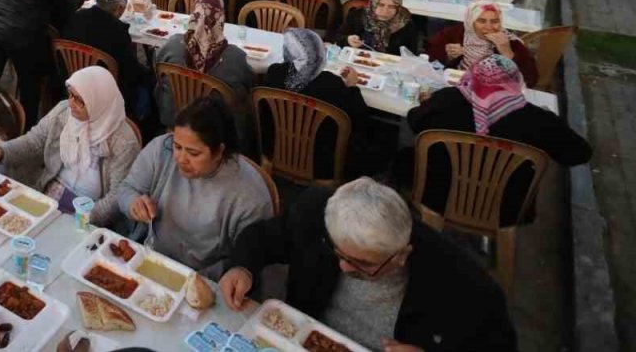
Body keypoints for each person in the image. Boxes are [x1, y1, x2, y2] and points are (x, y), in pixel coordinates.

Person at [220, 178, 517, 351]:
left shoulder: (465, 285)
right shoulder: (316, 214)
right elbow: (263, 237)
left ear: (402, 253)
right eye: (339, 254)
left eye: (363, 264)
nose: (345, 268)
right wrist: (241, 267)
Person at [404, 53, 590, 221]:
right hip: (504, 207)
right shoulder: (539, 120)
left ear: (473, 75)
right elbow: (579, 154)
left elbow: (415, 121)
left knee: (405, 157)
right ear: (515, 80)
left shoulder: (446, 99)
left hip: (437, 194)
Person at [116, 96, 273, 276]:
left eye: (193, 153)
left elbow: (247, 260)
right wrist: (133, 203)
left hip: (205, 279)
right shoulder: (161, 149)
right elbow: (126, 189)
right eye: (177, 146)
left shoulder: (248, 196)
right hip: (151, 258)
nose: (180, 159)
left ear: (219, 152)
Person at [0, 66, 141, 225]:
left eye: (80, 100)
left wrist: (84, 218)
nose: (71, 103)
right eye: (70, 95)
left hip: (90, 212)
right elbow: (35, 141)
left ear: (98, 102)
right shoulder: (63, 113)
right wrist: (1, 151)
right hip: (51, 193)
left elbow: (118, 194)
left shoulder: (124, 142)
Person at [261, 29, 378, 178]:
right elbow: (361, 118)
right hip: (321, 158)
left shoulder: (274, 72)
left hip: (277, 146)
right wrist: (352, 86)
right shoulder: (331, 83)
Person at [60, 0, 152, 120]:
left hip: (75, 82)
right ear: (120, 8)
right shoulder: (118, 30)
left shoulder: (75, 18)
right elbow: (131, 72)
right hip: (108, 92)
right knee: (148, 82)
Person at [154, 0, 254, 114]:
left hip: (174, 117)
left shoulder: (172, 44)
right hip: (218, 128)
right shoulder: (236, 57)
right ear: (220, 18)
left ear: (193, 16)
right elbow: (251, 84)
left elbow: (157, 68)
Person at [426, 1, 539, 87]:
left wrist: (508, 53)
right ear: (471, 22)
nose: (489, 27)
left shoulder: (511, 42)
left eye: (495, 21)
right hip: (458, 88)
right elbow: (429, 62)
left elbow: (530, 80)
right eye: (482, 21)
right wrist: (448, 57)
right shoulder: (456, 34)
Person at [336, 0, 418, 54]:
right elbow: (338, 38)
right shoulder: (358, 15)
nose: (385, 11)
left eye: (392, 7)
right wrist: (348, 40)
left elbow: (411, 54)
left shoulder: (405, 23)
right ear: (373, 4)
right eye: (381, 5)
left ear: (398, 8)